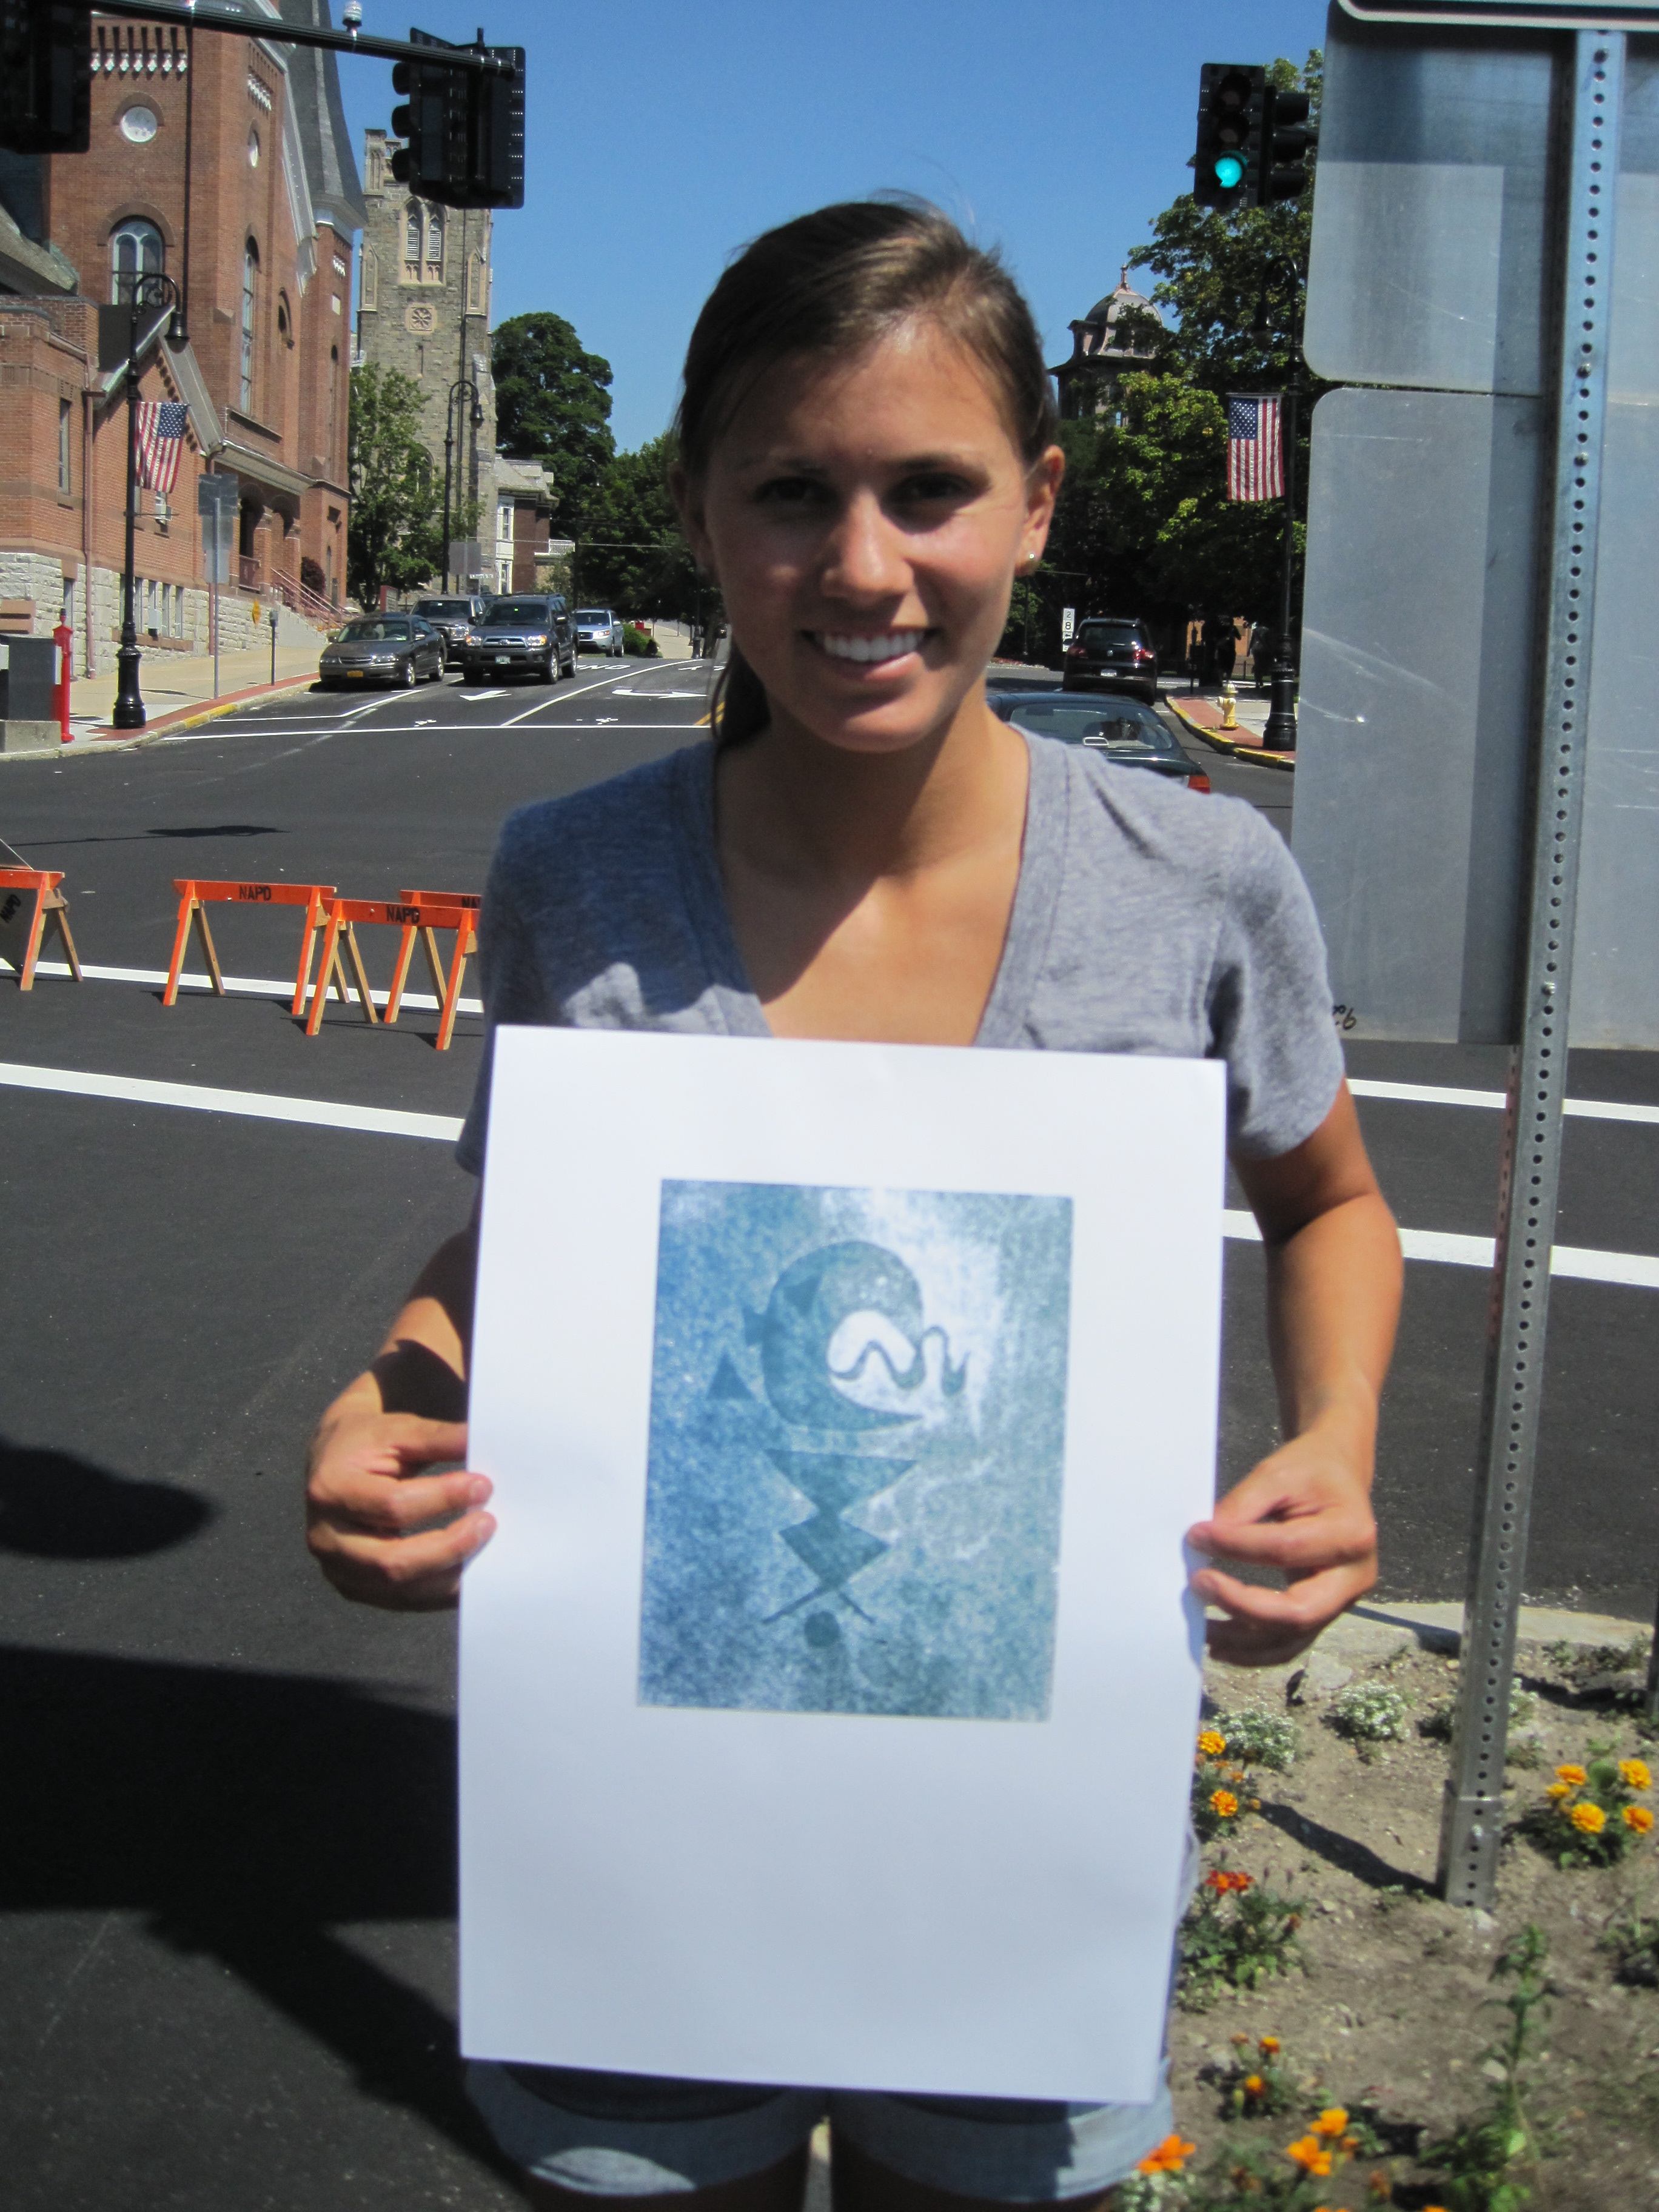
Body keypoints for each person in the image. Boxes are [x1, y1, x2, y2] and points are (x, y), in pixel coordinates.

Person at [306, 199, 1401, 2211]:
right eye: (793, 492)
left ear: (1038, 502)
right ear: (700, 512)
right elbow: (524, 1239)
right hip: (640, 1882)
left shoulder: (1199, 881)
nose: (865, 565)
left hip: (1022, 1889)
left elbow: (1328, 1202)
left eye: (931, 490)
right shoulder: (573, 874)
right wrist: (399, 1391)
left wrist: (1331, 1447)